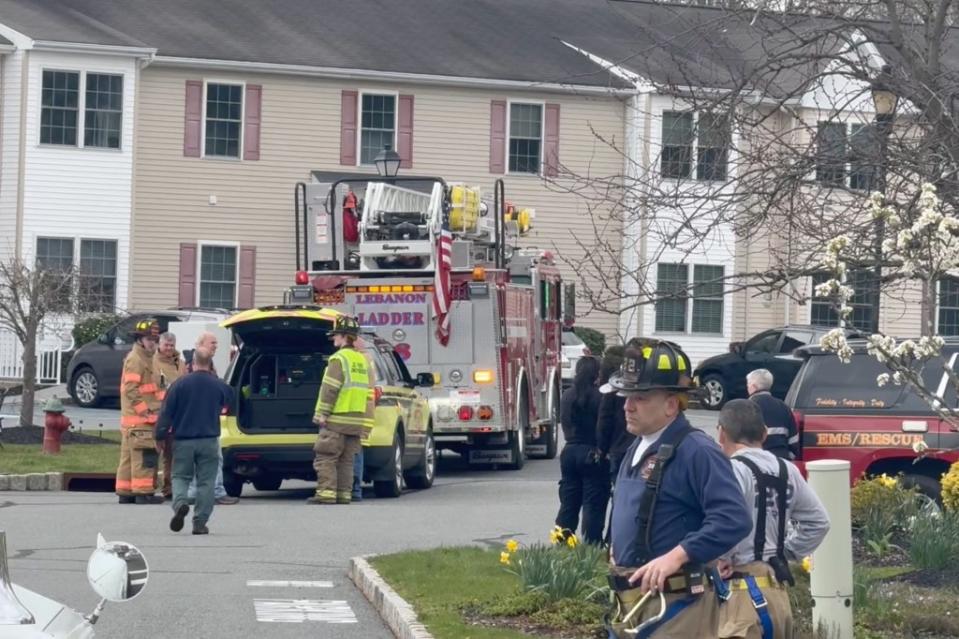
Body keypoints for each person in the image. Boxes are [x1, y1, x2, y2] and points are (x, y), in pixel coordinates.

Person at [604, 339, 751, 638]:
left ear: (672, 404)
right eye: (626, 395)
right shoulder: (638, 446)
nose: (627, 405)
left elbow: (733, 518)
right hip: (637, 603)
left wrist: (678, 555)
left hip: (677, 607)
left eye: (641, 397)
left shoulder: (697, 451)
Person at [717, 399, 830, 639]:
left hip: (739, 594)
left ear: (721, 434)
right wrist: (786, 552)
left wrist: (721, 557)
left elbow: (723, 521)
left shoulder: (731, 470)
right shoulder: (786, 469)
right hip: (777, 593)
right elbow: (819, 522)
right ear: (765, 433)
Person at [156, 349, 233, 535]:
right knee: (207, 482)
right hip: (209, 440)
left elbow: (166, 413)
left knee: (180, 476)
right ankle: (200, 522)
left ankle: (181, 503)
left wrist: (159, 435)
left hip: (183, 440)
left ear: (191, 364)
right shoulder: (219, 385)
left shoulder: (178, 384)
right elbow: (230, 400)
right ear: (211, 365)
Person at [308, 315, 374, 504]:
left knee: (326, 457)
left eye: (336, 335)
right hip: (356, 419)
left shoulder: (338, 359)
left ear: (345, 336)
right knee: (346, 460)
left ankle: (326, 494)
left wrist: (322, 414)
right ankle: (344, 494)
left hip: (337, 418)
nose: (333, 338)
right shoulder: (361, 360)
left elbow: (330, 389)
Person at [554, 356, 609, 545]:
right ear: (597, 374)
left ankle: (561, 541)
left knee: (568, 502)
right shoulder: (600, 396)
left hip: (569, 451)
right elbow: (603, 427)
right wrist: (603, 449)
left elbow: (564, 422)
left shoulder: (567, 395)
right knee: (593, 503)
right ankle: (592, 544)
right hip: (591, 452)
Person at [186, 332, 239, 505]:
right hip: (199, 422)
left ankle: (205, 491)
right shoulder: (192, 365)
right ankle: (211, 492)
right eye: (212, 343)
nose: (215, 345)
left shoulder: (208, 364)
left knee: (212, 458)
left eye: (216, 343)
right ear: (200, 344)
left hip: (207, 420)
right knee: (206, 458)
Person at [115, 318, 164, 505]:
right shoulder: (136, 359)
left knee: (128, 458)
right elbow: (131, 389)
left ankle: (125, 492)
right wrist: (145, 412)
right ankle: (143, 492)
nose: (153, 343)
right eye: (150, 340)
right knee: (145, 457)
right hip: (141, 420)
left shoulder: (145, 358)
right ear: (140, 339)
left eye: (155, 340)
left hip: (134, 420)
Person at [154, 332, 187, 500]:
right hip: (158, 415)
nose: (169, 348)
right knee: (154, 454)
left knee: (172, 455)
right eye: (166, 345)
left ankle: (170, 488)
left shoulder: (180, 364)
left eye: (171, 345)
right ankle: (151, 487)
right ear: (159, 345)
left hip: (176, 417)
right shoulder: (152, 363)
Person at [596, 345, 631, 484]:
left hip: (618, 448)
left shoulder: (611, 391)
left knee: (619, 490)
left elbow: (604, 421)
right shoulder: (638, 387)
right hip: (638, 447)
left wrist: (602, 449)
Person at [746, 370, 800, 460]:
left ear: (753, 387)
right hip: (781, 459)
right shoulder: (784, 407)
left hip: (755, 461)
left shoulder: (745, 407)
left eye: (748, 385)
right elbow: (793, 441)